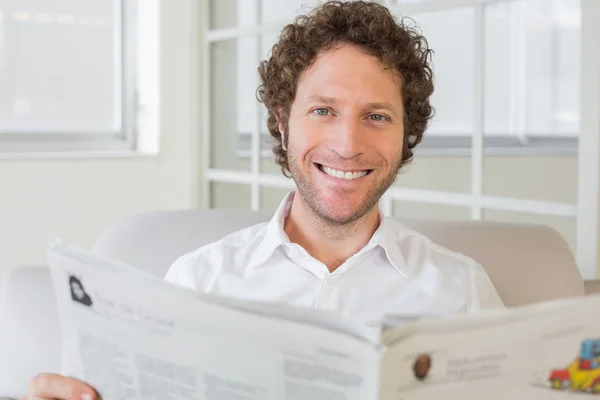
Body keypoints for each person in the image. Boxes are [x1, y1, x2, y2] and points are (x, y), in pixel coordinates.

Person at [24, 1, 503, 398]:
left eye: (376, 116)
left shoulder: (462, 290)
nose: (348, 143)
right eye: (322, 110)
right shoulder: (198, 282)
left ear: (406, 133)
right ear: (281, 120)